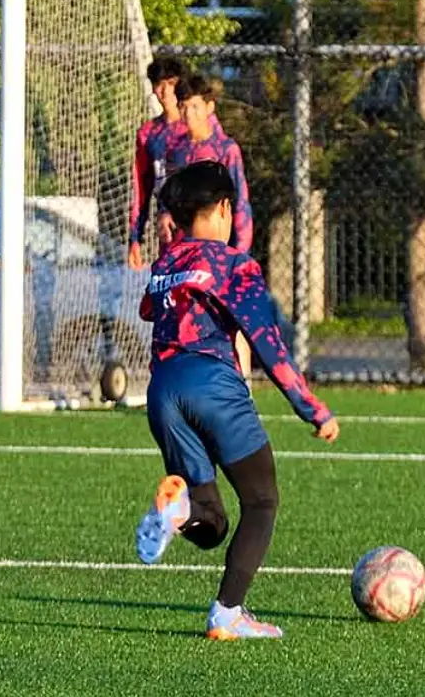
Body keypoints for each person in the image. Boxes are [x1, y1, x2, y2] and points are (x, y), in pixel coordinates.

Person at [132, 160, 338, 641]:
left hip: (162, 390)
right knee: (262, 500)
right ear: (225, 208)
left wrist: (175, 253)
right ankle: (227, 613)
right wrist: (312, 408)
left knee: (212, 519)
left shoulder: (166, 263)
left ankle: (179, 511)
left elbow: (147, 308)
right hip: (213, 384)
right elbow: (267, 342)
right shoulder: (234, 263)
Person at [164, 74, 254, 253]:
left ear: (209, 107)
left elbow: (240, 203)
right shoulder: (175, 150)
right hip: (181, 249)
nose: (189, 114)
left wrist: (239, 253)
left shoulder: (226, 149)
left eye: (195, 106)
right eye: (183, 106)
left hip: (216, 250)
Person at [128, 57, 190, 270]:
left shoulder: (196, 127)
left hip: (199, 228)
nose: (164, 91)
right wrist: (135, 238)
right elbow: (141, 189)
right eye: (159, 84)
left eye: (171, 84)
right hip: (168, 231)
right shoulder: (149, 133)